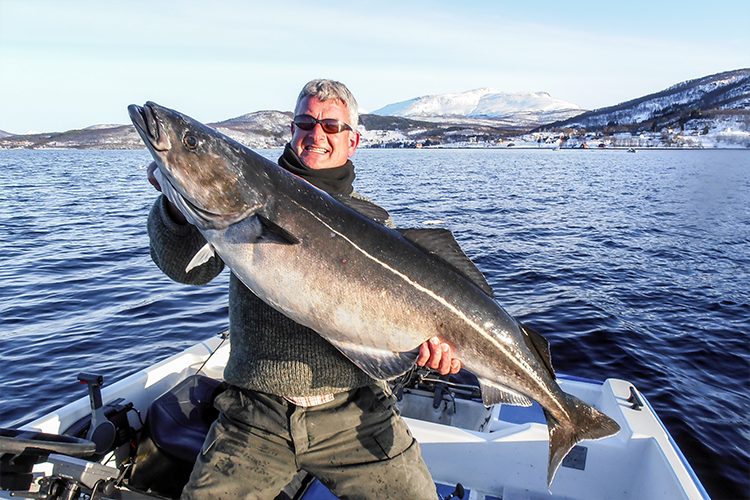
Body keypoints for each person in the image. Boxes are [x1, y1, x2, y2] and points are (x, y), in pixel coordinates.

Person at [147, 79, 461, 500]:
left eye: (331, 126)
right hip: (255, 413)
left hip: (355, 414)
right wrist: (176, 204)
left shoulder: (377, 229)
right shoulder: (248, 198)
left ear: (353, 141)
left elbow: (399, 339)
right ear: (292, 132)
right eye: (304, 123)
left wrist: (430, 356)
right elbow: (185, 270)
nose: (316, 135)